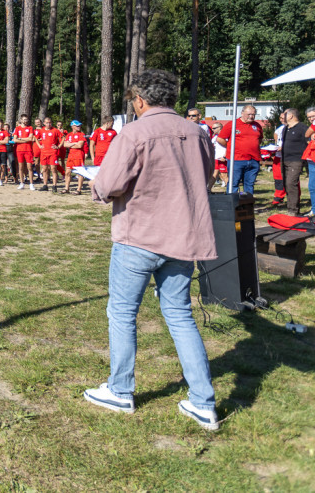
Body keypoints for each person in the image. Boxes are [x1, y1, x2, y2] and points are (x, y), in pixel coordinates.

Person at [86, 69, 220, 431]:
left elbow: (110, 183)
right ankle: (203, 401)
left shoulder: (134, 132)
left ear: (140, 100)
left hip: (140, 235)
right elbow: (205, 178)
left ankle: (120, 389)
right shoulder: (198, 133)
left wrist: (96, 188)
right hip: (183, 236)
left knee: (122, 312)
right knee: (179, 315)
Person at [216, 104, 263, 195]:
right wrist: (231, 146)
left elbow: (259, 139)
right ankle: (232, 205)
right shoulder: (232, 124)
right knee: (234, 183)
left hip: (253, 160)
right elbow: (220, 139)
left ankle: (247, 205)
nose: (251, 116)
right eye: (249, 114)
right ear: (242, 113)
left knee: (249, 184)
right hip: (237, 160)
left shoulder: (257, 125)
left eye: (253, 114)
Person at [277, 108, 308, 216]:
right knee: (286, 184)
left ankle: (293, 210)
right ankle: (290, 207)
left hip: (296, 160)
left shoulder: (303, 128)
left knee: (291, 183)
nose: (282, 117)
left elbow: (309, 142)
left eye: (285, 115)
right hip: (284, 159)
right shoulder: (286, 128)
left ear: (291, 116)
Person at [36, 117, 62, 192]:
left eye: (50, 122)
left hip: (53, 152)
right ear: (44, 123)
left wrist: (58, 146)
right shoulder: (41, 130)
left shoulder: (55, 130)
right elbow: (36, 138)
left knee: (53, 168)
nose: (48, 124)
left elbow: (63, 137)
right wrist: (39, 146)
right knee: (45, 169)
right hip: (44, 152)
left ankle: (54, 185)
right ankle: (45, 185)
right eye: (47, 123)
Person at [62, 120, 87, 194]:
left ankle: (78, 190)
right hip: (71, 155)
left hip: (79, 155)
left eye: (79, 125)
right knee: (67, 172)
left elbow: (80, 145)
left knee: (79, 173)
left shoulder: (81, 134)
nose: (79, 127)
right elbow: (65, 145)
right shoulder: (69, 135)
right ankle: (66, 188)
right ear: (72, 126)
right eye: (77, 125)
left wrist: (70, 144)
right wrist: (75, 143)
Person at [12, 115, 36, 191]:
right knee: (20, 167)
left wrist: (21, 138)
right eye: (24, 119)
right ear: (21, 120)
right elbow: (15, 140)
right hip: (19, 150)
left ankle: (31, 184)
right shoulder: (17, 128)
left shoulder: (30, 128)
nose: (26, 121)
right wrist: (25, 140)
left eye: (27, 119)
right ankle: (21, 183)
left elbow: (31, 138)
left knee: (30, 167)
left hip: (28, 150)